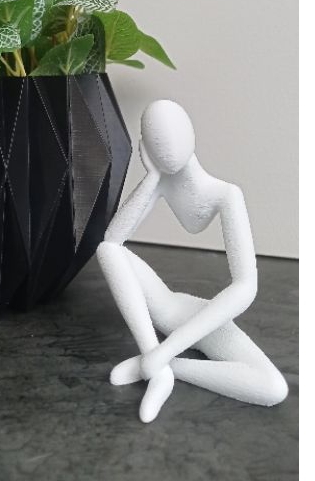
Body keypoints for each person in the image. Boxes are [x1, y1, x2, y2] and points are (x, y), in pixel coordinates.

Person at [96, 99, 288, 423]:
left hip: (207, 319)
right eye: (156, 140)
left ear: (191, 135)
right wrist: (150, 178)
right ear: (146, 147)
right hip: (168, 308)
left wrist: (165, 353)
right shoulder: (161, 182)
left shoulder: (227, 194)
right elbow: (113, 240)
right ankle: (154, 363)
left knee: (272, 388)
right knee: (108, 250)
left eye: (172, 135)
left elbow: (245, 287)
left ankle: (161, 366)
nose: (166, 148)